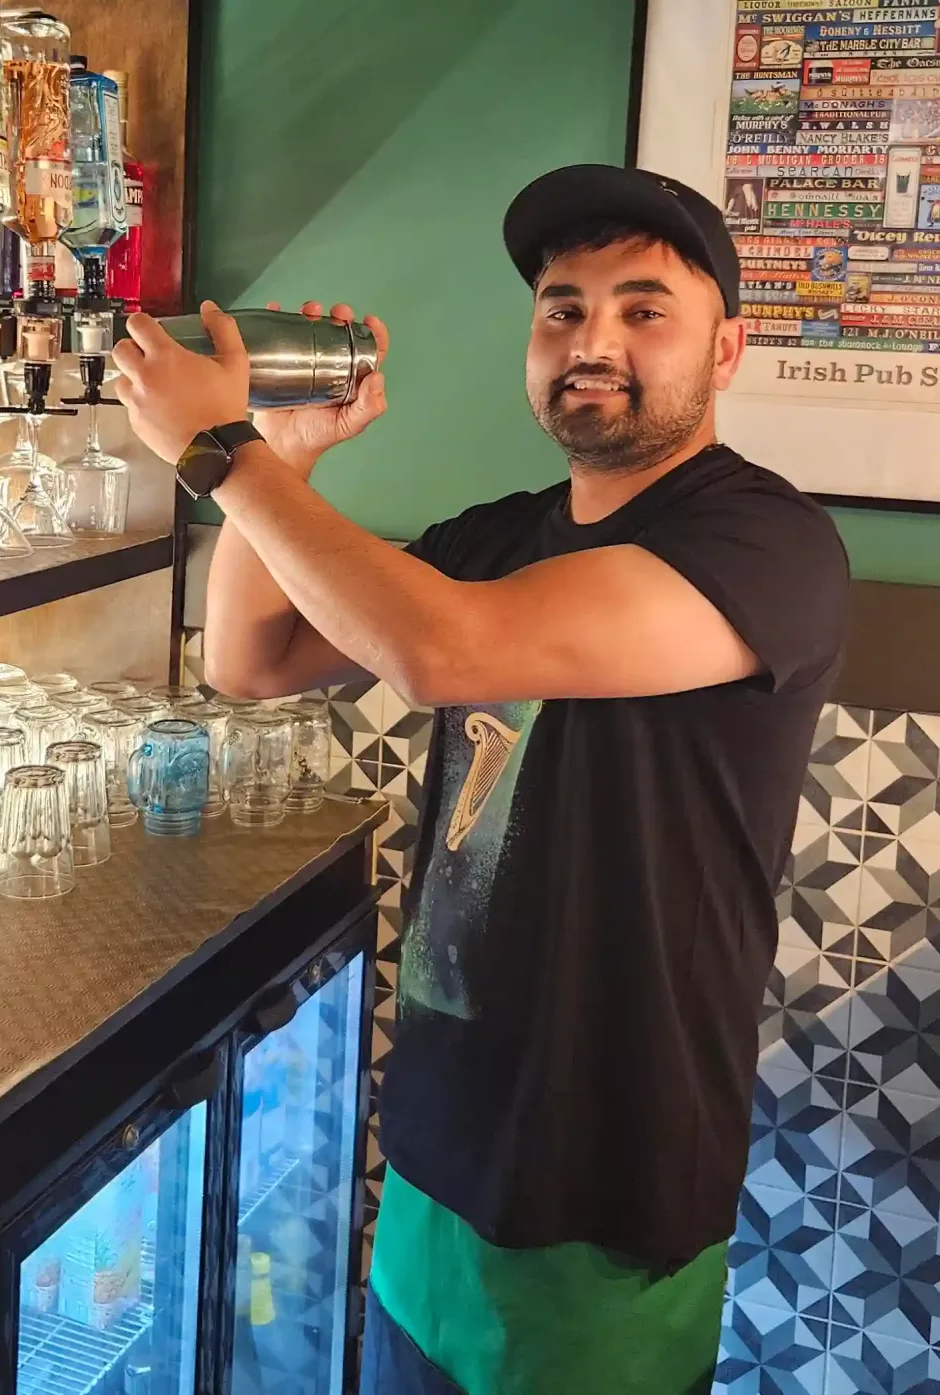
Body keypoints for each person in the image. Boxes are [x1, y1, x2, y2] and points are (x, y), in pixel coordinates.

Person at [112, 163, 851, 1395]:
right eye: (563, 309)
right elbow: (252, 660)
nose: (593, 340)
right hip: (437, 1145)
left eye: (643, 309)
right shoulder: (497, 537)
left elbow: (444, 651)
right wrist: (285, 455)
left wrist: (220, 450)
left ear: (725, 350)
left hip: (605, 1187)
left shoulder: (767, 543)